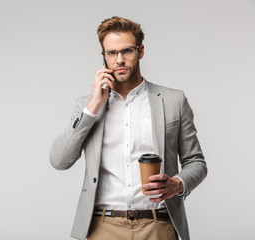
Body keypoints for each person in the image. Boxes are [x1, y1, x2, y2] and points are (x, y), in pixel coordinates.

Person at [49, 16, 207, 240]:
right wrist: (92, 107)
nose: (119, 60)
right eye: (111, 53)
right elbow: (59, 160)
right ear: (103, 56)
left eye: (127, 51)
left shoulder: (173, 100)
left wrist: (176, 184)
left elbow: (196, 163)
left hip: (158, 224)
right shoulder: (87, 105)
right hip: (103, 226)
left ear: (140, 51)